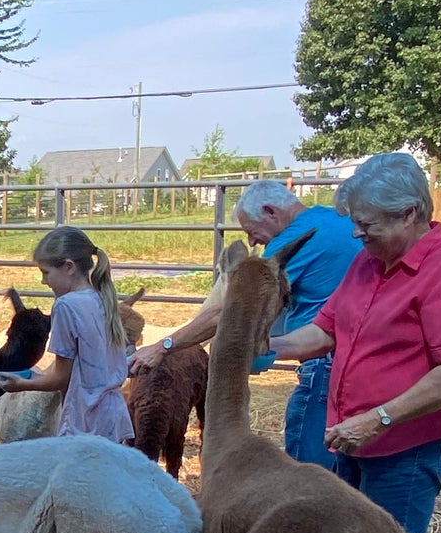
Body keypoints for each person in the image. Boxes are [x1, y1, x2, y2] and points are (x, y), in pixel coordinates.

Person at [269, 151, 441, 533]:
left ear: (408, 213)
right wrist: (265, 348)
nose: (357, 233)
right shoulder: (368, 263)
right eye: (355, 222)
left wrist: (378, 419)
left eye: (366, 223)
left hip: (404, 448)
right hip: (351, 438)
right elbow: (325, 331)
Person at [128, 177, 360, 467]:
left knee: (310, 468)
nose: (252, 241)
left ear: (270, 211)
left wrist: (164, 346)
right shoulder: (331, 221)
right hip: (355, 363)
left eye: (252, 230)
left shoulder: (294, 243)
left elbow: (228, 313)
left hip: (325, 368)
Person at [0, 224, 133, 533]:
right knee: (103, 520)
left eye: (46, 272)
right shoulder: (104, 301)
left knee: (58, 525)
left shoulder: (68, 307)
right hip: (113, 418)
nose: (44, 281)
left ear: (68, 266)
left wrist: (20, 384)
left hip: (83, 423)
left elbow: (60, 378)